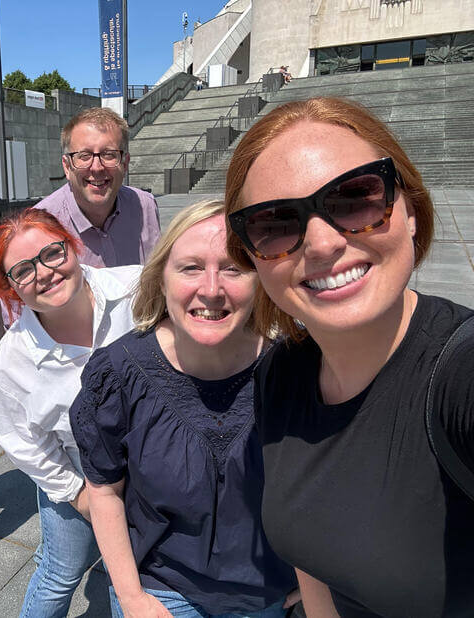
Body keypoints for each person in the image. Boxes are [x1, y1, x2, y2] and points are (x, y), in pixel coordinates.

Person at [224, 97, 474, 617]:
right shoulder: (282, 370)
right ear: (253, 257)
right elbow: (311, 559)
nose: (319, 244)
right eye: (274, 223)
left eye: (354, 198)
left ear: (409, 209)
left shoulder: (459, 377)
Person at [70, 201, 297, 618]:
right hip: (163, 592)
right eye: (191, 267)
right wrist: (131, 597)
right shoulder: (118, 376)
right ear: (160, 278)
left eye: (233, 268)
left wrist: (314, 577)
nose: (211, 288)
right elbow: (103, 491)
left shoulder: (294, 371)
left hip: (265, 594)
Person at [0, 208, 140, 617]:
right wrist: (76, 494)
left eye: (52, 253)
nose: (44, 273)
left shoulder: (137, 289)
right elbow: (22, 440)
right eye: (23, 270)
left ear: (72, 247)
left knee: (128, 571)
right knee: (61, 569)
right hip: (76, 465)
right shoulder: (13, 361)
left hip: (149, 456)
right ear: (12, 288)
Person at [34, 107, 161, 268]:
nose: (97, 167)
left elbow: (156, 276)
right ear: (67, 167)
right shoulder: (38, 226)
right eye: (84, 156)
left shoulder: (145, 206)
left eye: (109, 154)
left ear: (125, 163)